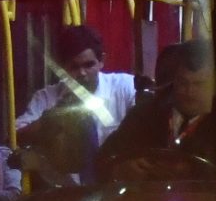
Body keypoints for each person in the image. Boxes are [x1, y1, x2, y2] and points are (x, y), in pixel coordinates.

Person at [15, 24, 138, 185]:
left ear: (102, 61)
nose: (82, 73)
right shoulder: (46, 98)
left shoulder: (125, 88)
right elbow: (17, 136)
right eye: (74, 67)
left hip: (118, 187)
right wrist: (53, 119)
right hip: (66, 194)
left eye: (89, 65)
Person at [96, 41, 216, 184]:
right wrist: (120, 170)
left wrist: (192, 173)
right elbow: (101, 161)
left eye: (199, 84)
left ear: (215, 86)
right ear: (173, 81)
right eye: (183, 83)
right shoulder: (144, 116)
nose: (189, 91)